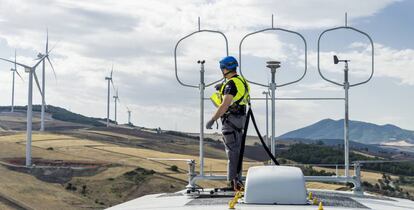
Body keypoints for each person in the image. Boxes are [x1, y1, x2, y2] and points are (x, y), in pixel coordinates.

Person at [206, 56, 250, 190]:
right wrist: (222, 89)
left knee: (232, 152)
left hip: (231, 121)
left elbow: (225, 105)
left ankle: (233, 183)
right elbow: (237, 97)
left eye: (222, 68)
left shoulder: (231, 84)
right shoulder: (241, 81)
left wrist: (212, 119)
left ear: (225, 69)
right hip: (239, 120)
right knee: (237, 151)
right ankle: (237, 182)